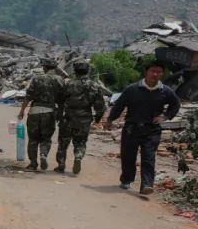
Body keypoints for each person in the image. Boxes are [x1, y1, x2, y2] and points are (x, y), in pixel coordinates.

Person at [104, 60, 181, 195]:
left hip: (152, 129)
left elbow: (175, 104)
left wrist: (165, 117)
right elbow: (119, 106)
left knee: (149, 157)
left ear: (162, 74)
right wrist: (110, 120)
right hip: (131, 128)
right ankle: (126, 179)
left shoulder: (165, 91)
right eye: (153, 71)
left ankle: (146, 184)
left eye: (159, 72)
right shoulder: (132, 89)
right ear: (146, 72)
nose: (155, 74)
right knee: (128, 156)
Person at [54, 60, 108, 175]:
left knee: (63, 143)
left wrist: (58, 116)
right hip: (84, 119)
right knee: (80, 142)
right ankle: (78, 156)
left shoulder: (68, 84)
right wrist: (97, 120)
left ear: (75, 71)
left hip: (68, 118)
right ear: (87, 71)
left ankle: (61, 165)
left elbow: (60, 101)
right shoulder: (95, 86)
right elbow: (100, 107)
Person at [17, 58, 65, 170]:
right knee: (46, 138)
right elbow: (62, 100)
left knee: (33, 139)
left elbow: (28, 97)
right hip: (49, 112)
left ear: (44, 67)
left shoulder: (37, 78)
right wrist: (60, 114)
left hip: (34, 112)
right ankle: (43, 154)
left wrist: (22, 111)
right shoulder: (59, 80)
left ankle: (33, 163)